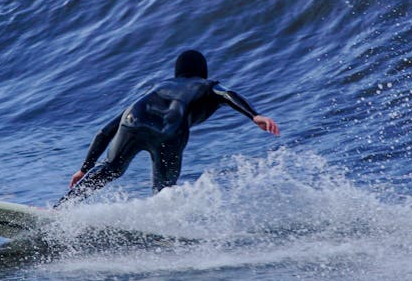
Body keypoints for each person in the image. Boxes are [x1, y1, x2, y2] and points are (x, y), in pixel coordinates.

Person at [58, 49, 280, 204]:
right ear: (203, 71)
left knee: (110, 169)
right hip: (169, 131)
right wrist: (255, 115)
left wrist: (84, 169)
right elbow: (227, 94)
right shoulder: (206, 84)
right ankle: (157, 227)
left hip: (134, 120)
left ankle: (61, 210)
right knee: (163, 192)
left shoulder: (157, 88)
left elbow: (105, 131)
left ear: (177, 72)